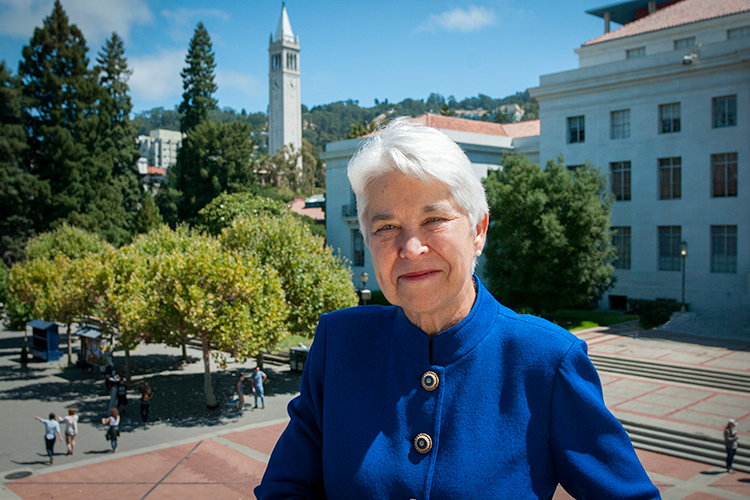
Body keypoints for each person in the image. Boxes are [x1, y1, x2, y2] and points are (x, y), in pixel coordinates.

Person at [255, 118, 660, 499]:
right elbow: (284, 489)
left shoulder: (546, 362)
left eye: (434, 219)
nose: (411, 248)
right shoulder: (339, 343)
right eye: (386, 227)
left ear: (478, 230)